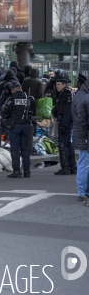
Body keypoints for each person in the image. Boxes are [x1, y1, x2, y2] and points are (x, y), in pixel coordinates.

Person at [2, 81, 33, 178]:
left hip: (15, 126)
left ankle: (17, 171)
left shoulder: (12, 99)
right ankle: (27, 171)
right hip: (26, 126)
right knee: (25, 149)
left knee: (15, 149)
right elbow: (31, 111)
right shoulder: (28, 98)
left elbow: (4, 112)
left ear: (12, 90)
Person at [53, 77, 77, 176]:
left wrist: (64, 124)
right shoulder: (63, 93)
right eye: (56, 84)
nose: (57, 86)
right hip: (65, 121)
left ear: (64, 85)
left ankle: (65, 167)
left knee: (62, 145)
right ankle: (72, 166)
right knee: (67, 144)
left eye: (59, 84)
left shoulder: (66, 94)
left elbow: (67, 110)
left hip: (65, 122)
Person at [72, 73, 89, 205]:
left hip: (82, 133)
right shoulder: (83, 97)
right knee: (84, 163)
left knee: (84, 163)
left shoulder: (81, 95)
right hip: (84, 134)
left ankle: (83, 191)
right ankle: (82, 192)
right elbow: (81, 118)